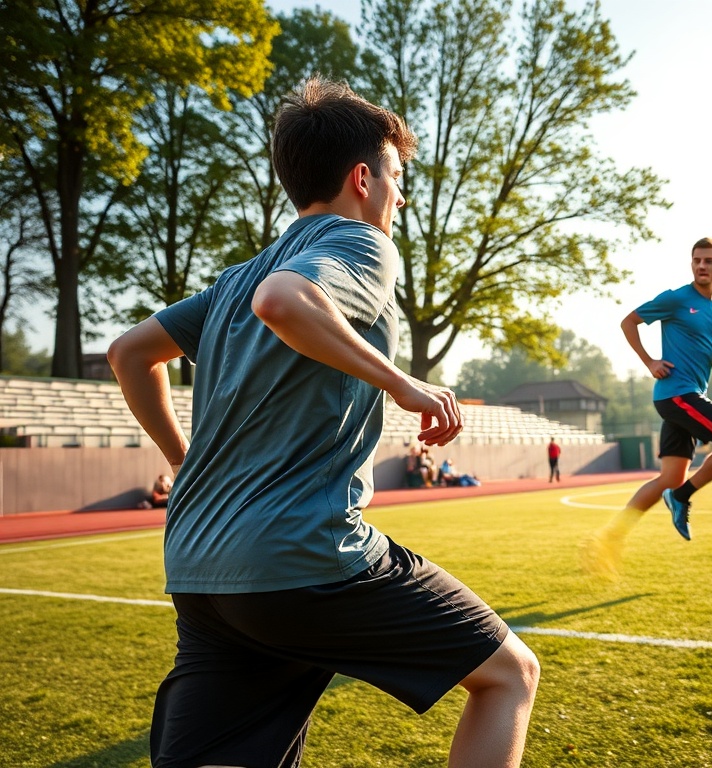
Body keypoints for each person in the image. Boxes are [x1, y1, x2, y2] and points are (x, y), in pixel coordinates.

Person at [108, 76, 539, 768]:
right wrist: (404, 384)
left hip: (197, 566)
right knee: (510, 675)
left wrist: (182, 461)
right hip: (303, 556)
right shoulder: (362, 243)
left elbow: (129, 353)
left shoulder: (235, 277)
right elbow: (284, 300)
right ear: (363, 179)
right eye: (396, 179)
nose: (400, 198)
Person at [582, 237, 712, 578]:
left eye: (708, 261)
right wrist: (649, 362)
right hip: (677, 394)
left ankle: (609, 537)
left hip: (687, 395)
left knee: (670, 477)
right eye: (696, 260)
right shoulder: (676, 299)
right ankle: (682, 496)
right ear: (691, 264)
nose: (701, 266)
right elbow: (628, 322)